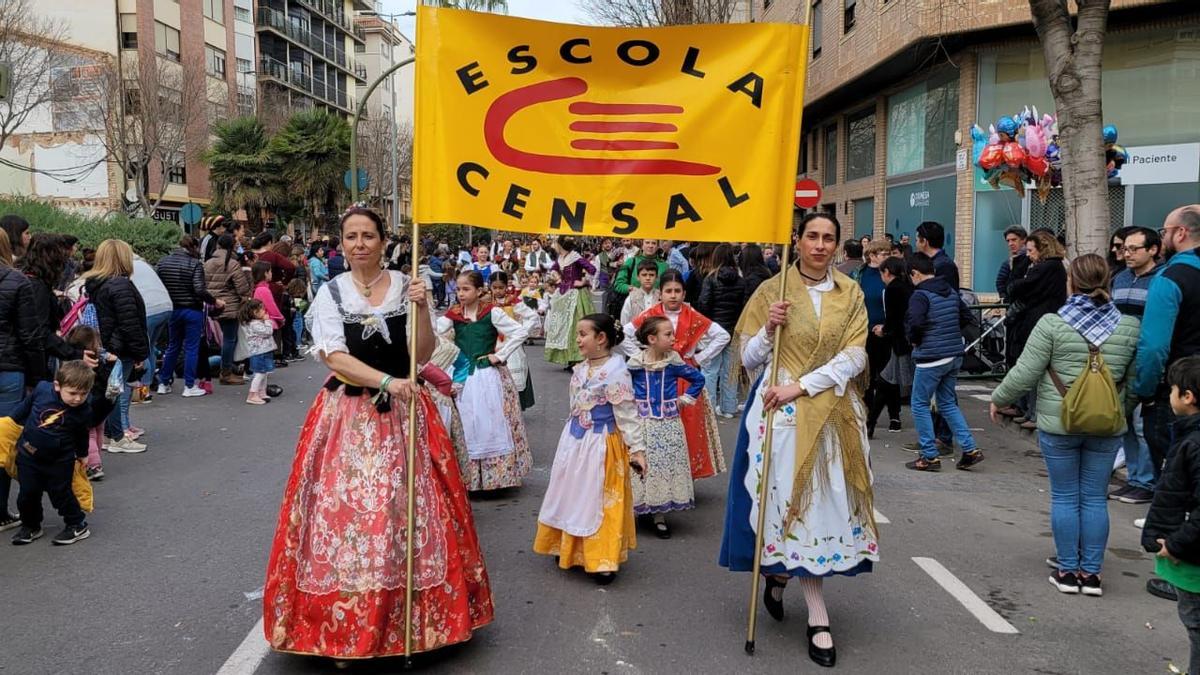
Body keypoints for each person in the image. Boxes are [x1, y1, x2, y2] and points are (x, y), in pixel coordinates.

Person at [263, 207, 494, 659]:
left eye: (368, 235)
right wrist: (386, 382)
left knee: (407, 512)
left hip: (405, 414)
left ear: (384, 242)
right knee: (348, 515)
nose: (360, 244)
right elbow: (334, 357)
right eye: (351, 236)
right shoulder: (331, 292)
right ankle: (342, 628)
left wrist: (421, 308)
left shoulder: (407, 286)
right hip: (349, 416)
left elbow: (421, 353)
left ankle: (413, 624)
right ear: (342, 243)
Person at [719, 213, 878, 669]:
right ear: (798, 240)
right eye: (812, 236)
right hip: (780, 419)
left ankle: (786, 578)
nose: (820, 245)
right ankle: (817, 616)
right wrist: (768, 330)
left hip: (832, 413)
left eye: (828, 238)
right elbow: (748, 357)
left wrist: (802, 386)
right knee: (791, 508)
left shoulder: (850, 293)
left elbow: (855, 355)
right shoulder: (774, 290)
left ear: (837, 245)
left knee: (821, 507)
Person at [990, 254, 1139, 596]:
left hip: (1059, 423)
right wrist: (1119, 409)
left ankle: (1068, 571)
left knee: (1065, 495)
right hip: (1106, 426)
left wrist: (999, 398)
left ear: (1071, 282)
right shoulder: (1129, 327)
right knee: (1095, 497)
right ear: (1108, 282)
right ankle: (1092, 574)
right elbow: (1136, 381)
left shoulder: (1052, 325)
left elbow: (1025, 372)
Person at [533, 313, 646, 584]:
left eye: (583, 334)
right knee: (570, 494)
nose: (578, 340)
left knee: (599, 501)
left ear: (601, 338)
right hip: (575, 441)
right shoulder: (581, 369)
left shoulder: (616, 373)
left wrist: (637, 450)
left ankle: (602, 558)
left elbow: (627, 414)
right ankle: (567, 546)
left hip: (602, 444)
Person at [1136, 206, 1200, 603]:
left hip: (1180, 389)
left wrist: (1145, 389)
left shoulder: (1171, 278)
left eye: (1163, 231)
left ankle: (1177, 568)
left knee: (1178, 483)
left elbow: (1154, 346)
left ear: (1179, 233)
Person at [621, 269, 728, 481]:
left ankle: (683, 477)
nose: (673, 295)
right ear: (660, 293)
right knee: (651, 429)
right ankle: (653, 475)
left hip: (684, 379)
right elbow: (625, 334)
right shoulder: (651, 314)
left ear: (684, 293)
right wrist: (643, 358)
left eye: (677, 291)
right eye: (668, 291)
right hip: (655, 378)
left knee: (687, 427)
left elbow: (722, 336)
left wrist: (698, 358)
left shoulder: (692, 315)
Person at [438, 270, 532, 491]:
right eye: (458, 289)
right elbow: (432, 331)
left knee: (489, 421)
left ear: (479, 291)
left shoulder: (492, 313)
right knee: (464, 422)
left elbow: (519, 332)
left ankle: (495, 477)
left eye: (466, 289)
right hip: (462, 374)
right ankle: (465, 476)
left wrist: (500, 355)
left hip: (486, 374)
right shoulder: (453, 315)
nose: (461, 294)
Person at [9, 361, 114, 546]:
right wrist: (9, 423)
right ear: (57, 385)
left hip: (59, 460)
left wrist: (82, 454)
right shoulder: (42, 390)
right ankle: (31, 525)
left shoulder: (83, 411)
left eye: (83, 394)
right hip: (28, 454)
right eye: (72, 393)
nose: (77, 399)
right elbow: (24, 408)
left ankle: (76, 523)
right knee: (27, 494)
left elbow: (82, 434)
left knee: (61, 494)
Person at [1142, 355, 1200, 675]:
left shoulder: (1194, 444)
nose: (1169, 396)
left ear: (1187, 397)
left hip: (1191, 555)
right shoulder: (1189, 438)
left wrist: (1177, 543)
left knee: (1196, 623)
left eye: (1172, 390)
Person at [904, 253, 983, 472]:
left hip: (931, 357)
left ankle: (929, 456)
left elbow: (915, 323)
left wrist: (914, 340)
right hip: (954, 354)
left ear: (914, 273)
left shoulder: (920, 295)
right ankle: (970, 449)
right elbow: (967, 317)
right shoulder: (950, 291)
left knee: (919, 404)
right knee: (947, 403)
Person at [628, 315, 704, 538]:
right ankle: (633, 509)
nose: (673, 338)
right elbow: (620, 385)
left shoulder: (673, 362)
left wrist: (684, 400)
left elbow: (698, 379)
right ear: (652, 339)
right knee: (639, 465)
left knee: (661, 466)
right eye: (668, 334)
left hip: (667, 424)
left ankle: (658, 513)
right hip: (641, 422)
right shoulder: (635, 364)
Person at [1109, 226, 1163, 505]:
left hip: (1147, 361)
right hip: (1122, 362)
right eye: (1124, 249)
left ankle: (1147, 481)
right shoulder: (1119, 279)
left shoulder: (1162, 280)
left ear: (1153, 250)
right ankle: (1134, 479)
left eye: (1133, 249)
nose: (1126, 254)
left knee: (1143, 426)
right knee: (1126, 424)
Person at [83, 240, 150, 454]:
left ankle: (109, 435)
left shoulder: (96, 283)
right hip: (120, 348)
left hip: (105, 345)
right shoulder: (121, 285)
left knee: (109, 391)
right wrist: (140, 352)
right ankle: (117, 437)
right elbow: (129, 322)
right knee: (114, 392)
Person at [1004, 229, 1068, 429]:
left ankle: (1033, 413)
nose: (1029, 255)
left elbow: (1018, 287)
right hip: (1038, 319)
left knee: (1034, 369)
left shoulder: (1047, 268)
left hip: (1038, 320)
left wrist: (1018, 275)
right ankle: (1028, 410)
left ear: (1043, 249)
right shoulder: (1050, 267)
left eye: (1031, 251)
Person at [0, 229, 42, 530]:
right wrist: (38, 378)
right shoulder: (17, 281)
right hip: (8, 368)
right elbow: (30, 335)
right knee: (3, 440)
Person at [155, 236, 217, 398]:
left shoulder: (163, 262)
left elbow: (158, 285)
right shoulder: (194, 264)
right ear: (194, 247)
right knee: (191, 348)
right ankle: (189, 386)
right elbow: (199, 289)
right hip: (192, 310)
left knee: (172, 346)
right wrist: (214, 301)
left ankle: (163, 382)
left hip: (172, 309)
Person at [866, 255, 913, 437]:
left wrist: (884, 330)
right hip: (905, 342)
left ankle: (871, 422)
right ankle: (873, 421)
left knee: (886, 382)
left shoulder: (892, 290)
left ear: (886, 272)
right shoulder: (908, 286)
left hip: (900, 343)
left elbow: (894, 318)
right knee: (886, 381)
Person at [696, 244, 744, 418]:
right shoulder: (741, 281)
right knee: (730, 371)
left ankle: (708, 409)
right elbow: (743, 305)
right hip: (733, 330)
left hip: (713, 331)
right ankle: (729, 408)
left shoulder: (711, 279)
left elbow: (703, 303)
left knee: (710, 370)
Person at [205, 234, 253, 387]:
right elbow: (242, 288)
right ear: (232, 247)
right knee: (229, 340)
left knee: (222, 339)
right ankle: (226, 372)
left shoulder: (208, 262)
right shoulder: (232, 264)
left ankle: (226, 369)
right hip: (230, 306)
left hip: (213, 305)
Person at [489, 271, 538, 410]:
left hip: (511, 343)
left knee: (514, 374)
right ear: (490, 287)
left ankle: (514, 408)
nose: (498, 291)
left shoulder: (513, 301)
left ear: (507, 286)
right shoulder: (485, 303)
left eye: (501, 287)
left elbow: (532, 316)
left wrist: (522, 332)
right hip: (492, 342)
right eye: (494, 287)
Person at [544, 238, 597, 367]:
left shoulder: (575, 257)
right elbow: (553, 269)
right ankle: (569, 358)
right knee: (564, 327)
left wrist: (584, 281)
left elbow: (592, 269)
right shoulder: (561, 258)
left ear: (560, 245)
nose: (554, 245)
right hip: (563, 294)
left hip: (576, 295)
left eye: (556, 243)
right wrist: (557, 278)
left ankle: (579, 358)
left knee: (575, 326)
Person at [859, 240, 891, 435]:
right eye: (883, 254)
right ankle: (867, 417)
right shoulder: (859, 275)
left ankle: (879, 417)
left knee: (886, 378)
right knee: (867, 378)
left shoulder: (890, 274)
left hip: (885, 332)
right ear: (872, 256)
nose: (887, 257)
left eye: (888, 253)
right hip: (864, 332)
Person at [130, 253, 172, 397]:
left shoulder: (125, 267)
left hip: (148, 309)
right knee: (150, 348)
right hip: (165, 306)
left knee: (143, 350)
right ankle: (147, 388)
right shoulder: (144, 265)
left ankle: (142, 392)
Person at [235, 299, 276, 406]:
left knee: (264, 373)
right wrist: (267, 321)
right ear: (254, 312)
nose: (264, 311)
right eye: (262, 309)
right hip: (259, 352)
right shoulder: (254, 324)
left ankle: (262, 392)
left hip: (263, 350)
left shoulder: (252, 323)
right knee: (260, 373)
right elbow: (268, 332)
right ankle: (252, 394)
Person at [620, 259, 661, 326]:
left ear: (656, 277)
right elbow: (624, 323)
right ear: (638, 277)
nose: (648, 278)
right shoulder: (631, 298)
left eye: (651, 275)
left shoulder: (661, 297)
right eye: (644, 275)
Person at [995, 226, 1030, 301]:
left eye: (1014, 240)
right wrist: (1005, 299)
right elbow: (1000, 283)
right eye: (1008, 241)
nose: (1010, 244)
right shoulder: (1008, 263)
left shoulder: (1032, 259)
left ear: (1024, 240)